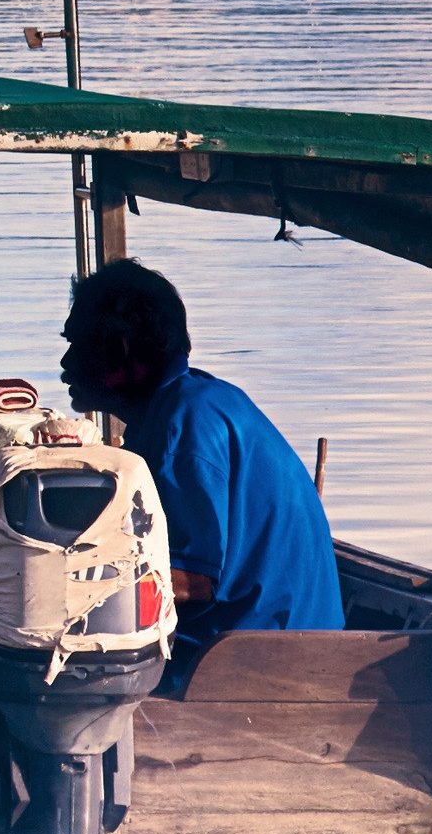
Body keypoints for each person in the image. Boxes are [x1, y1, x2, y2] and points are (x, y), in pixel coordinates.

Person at [58, 258, 339, 635]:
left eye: (77, 345)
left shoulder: (185, 424)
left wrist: (56, 581)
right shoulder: (195, 402)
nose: (65, 363)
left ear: (121, 348)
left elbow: (194, 582)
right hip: (273, 640)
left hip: (261, 654)